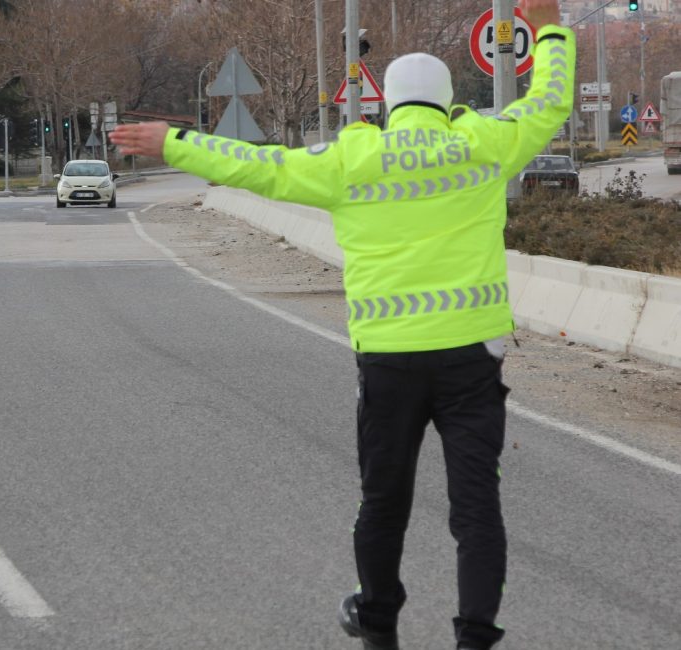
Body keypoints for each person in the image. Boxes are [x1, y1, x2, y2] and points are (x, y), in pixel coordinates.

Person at [110, 1, 570, 648]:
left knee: (383, 502)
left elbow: (258, 168)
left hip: (387, 364)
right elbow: (549, 101)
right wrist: (550, 28)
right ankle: (473, 636)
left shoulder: (350, 162)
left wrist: (174, 142)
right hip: (472, 360)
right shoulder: (486, 145)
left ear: (389, 107)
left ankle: (378, 620)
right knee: (476, 510)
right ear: (445, 103)